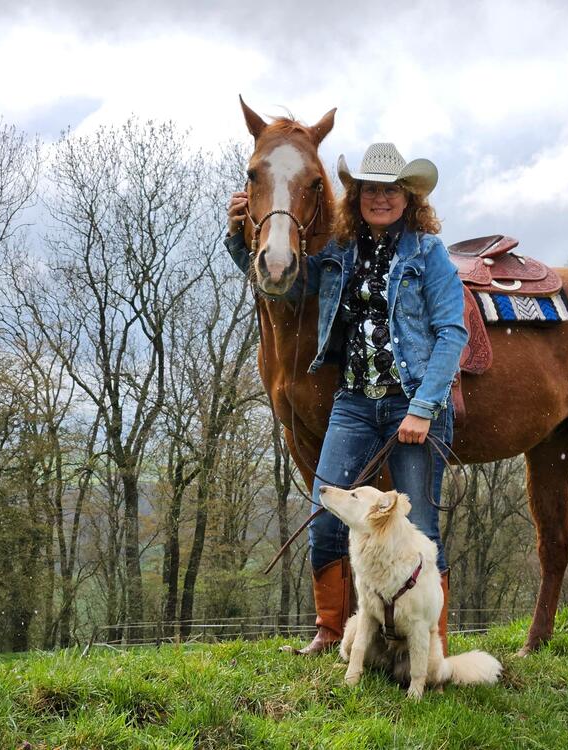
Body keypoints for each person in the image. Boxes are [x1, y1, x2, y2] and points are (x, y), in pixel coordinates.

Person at [224, 143, 467, 654]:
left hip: (410, 402)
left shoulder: (428, 253)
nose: (380, 199)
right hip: (355, 402)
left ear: (408, 197)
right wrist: (237, 238)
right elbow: (283, 288)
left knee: (419, 528)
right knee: (326, 512)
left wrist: (423, 409)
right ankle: (330, 629)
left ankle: (432, 644)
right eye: (370, 189)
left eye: (391, 190)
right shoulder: (342, 253)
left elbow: (451, 333)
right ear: (356, 197)